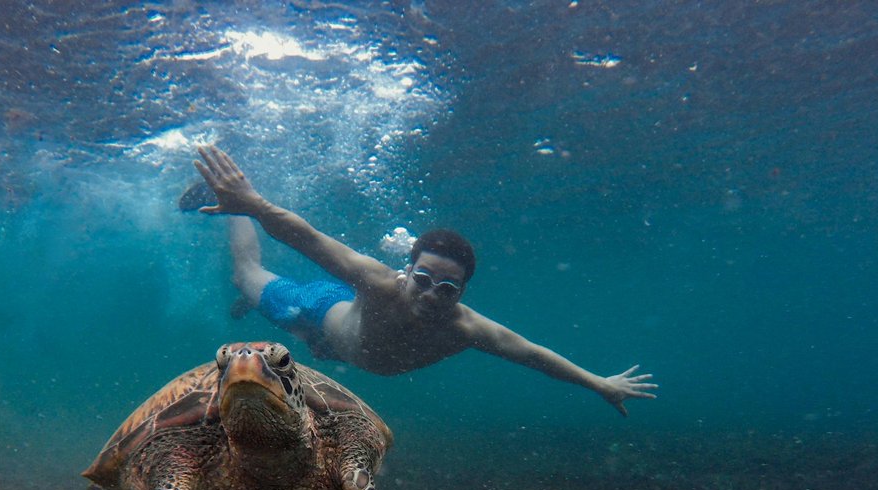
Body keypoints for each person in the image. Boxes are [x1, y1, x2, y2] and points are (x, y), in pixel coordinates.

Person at [193, 145, 657, 416]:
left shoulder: (467, 329)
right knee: (246, 274)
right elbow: (308, 239)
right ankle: (227, 205)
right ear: (406, 271)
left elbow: (534, 355)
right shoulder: (377, 281)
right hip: (315, 310)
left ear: (462, 293)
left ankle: (249, 284)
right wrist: (253, 204)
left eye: (447, 289)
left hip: (339, 349)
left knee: (274, 318)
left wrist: (599, 383)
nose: (432, 295)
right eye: (424, 279)